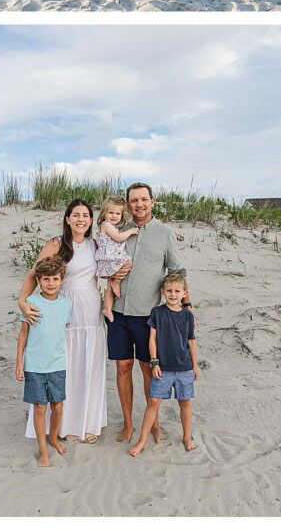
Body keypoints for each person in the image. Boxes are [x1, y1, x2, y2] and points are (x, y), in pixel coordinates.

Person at [18, 199, 108, 444]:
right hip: (62, 307)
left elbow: (113, 269)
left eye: (86, 215)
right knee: (65, 364)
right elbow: (33, 275)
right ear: (67, 219)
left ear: (91, 220)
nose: (81, 219)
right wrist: (22, 302)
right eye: (76, 214)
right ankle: (63, 425)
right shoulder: (56, 244)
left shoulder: (96, 244)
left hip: (90, 309)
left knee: (88, 365)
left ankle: (88, 423)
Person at [107, 181, 188, 445]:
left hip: (148, 315)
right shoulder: (116, 229)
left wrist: (185, 308)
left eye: (144, 199)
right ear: (128, 204)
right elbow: (101, 260)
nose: (139, 204)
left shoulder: (165, 233)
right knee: (122, 367)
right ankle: (129, 424)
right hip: (118, 312)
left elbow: (177, 271)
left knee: (147, 367)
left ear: (152, 201)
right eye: (134, 200)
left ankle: (153, 423)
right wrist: (111, 273)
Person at [128, 273, 199, 457]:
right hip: (163, 367)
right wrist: (154, 362)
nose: (173, 294)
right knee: (153, 401)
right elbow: (152, 339)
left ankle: (187, 437)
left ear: (184, 293)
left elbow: (191, 342)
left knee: (185, 402)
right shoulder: (157, 313)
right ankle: (142, 440)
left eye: (177, 291)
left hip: (184, 368)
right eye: (169, 291)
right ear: (162, 292)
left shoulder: (188, 316)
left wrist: (195, 366)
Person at [15, 256, 72, 467]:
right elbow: (23, 334)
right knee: (40, 407)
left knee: (57, 406)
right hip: (35, 364)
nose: (51, 283)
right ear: (38, 280)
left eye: (55, 279)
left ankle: (54, 438)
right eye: (46, 279)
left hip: (57, 364)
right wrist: (19, 362)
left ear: (62, 280)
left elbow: (62, 333)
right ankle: (42, 448)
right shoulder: (30, 303)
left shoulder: (67, 304)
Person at [94, 196, 139, 320]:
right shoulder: (106, 225)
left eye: (118, 213)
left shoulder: (112, 226)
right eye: (111, 213)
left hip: (111, 257)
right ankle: (117, 281)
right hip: (109, 258)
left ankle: (107, 308)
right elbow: (118, 237)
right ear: (104, 213)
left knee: (109, 285)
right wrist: (131, 231)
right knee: (128, 262)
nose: (114, 216)